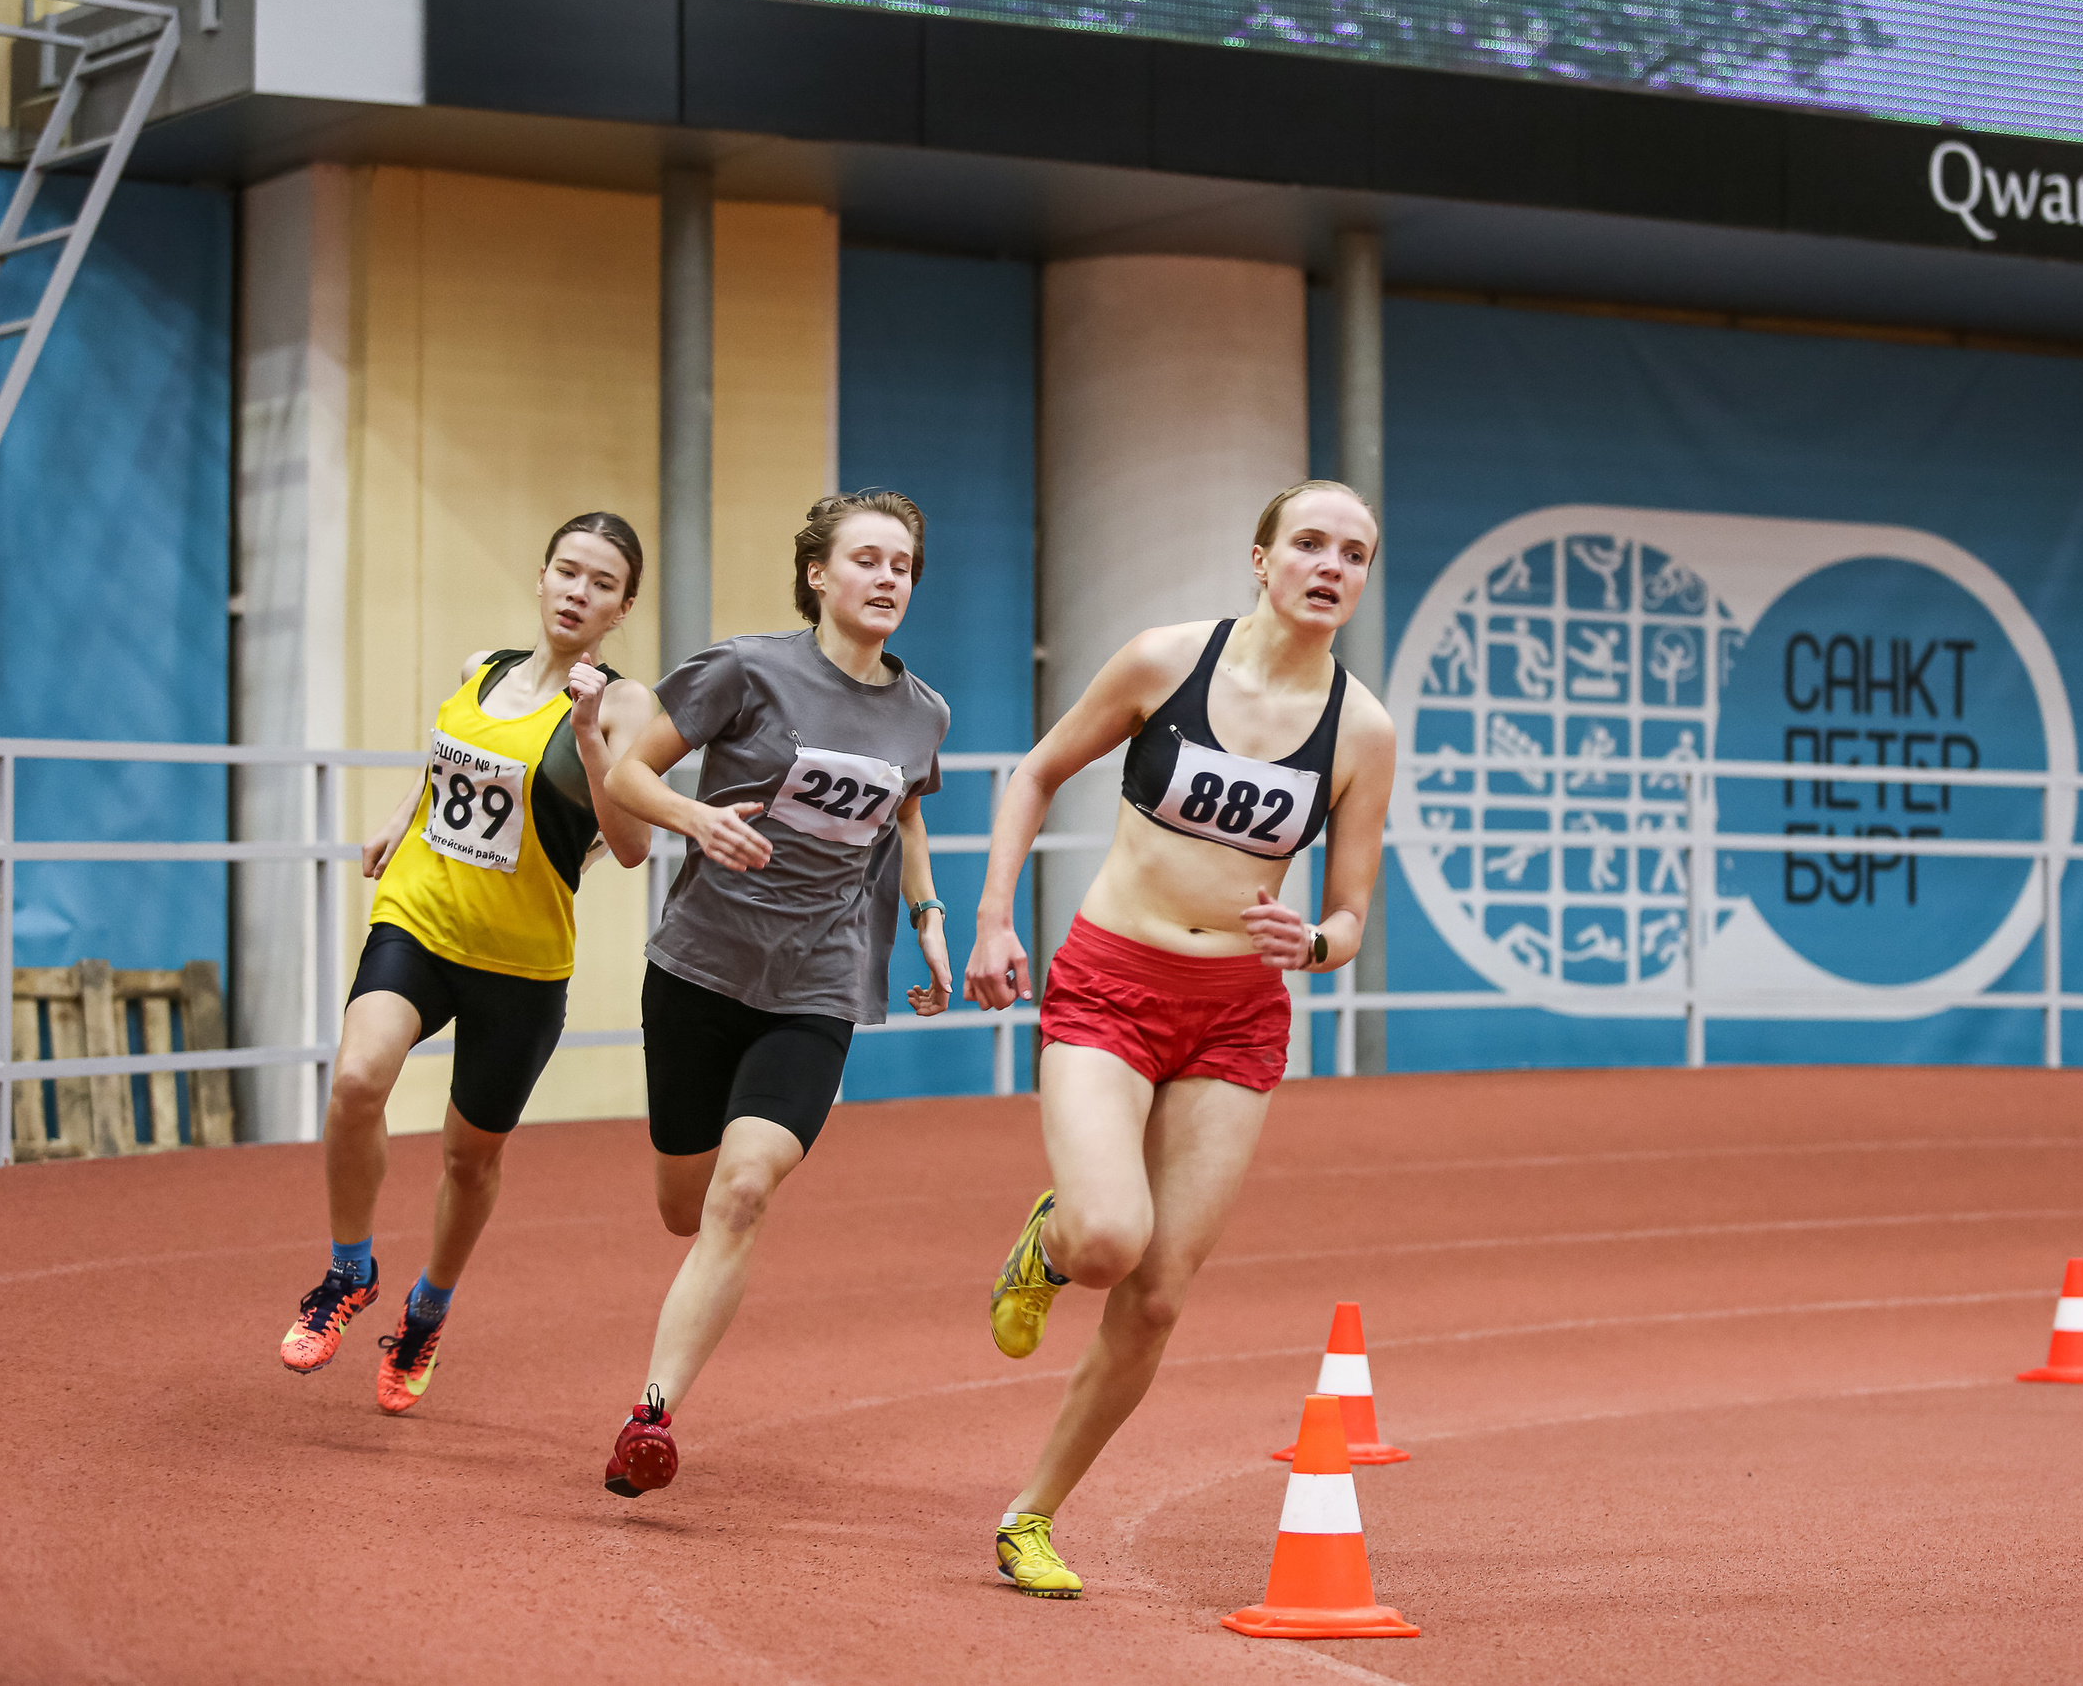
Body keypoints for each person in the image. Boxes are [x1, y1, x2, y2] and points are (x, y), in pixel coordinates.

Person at [963, 479, 1395, 1598]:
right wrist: (995, 916)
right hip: (1111, 981)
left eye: (1352, 553)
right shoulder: (1164, 662)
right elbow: (1037, 772)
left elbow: (1349, 915)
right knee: (1108, 1241)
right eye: (1308, 542)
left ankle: (1030, 1516)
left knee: (1155, 1296)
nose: (1329, 565)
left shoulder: (1361, 728)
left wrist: (1314, 942)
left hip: (1237, 1013)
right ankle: (1048, 1245)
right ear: (1261, 559)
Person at [596, 491, 952, 1498]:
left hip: (816, 979)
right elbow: (628, 776)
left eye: (904, 567)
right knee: (684, 1205)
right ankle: (688, 1226)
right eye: (869, 561)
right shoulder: (745, 670)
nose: (888, 580)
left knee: (743, 1191)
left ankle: (650, 1416)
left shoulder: (922, 711)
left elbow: (907, 817)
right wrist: (697, 822)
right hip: (699, 968)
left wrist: (928, 926)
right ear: (817, 575)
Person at [279, 513, 656, 1414]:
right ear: (540, 577)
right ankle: (347, 1271)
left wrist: (595, 735)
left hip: (520, 961)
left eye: (601, 583)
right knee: (358, 1079)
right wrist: (400, 818)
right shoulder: (479, 671)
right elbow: (449, 768)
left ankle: (426, 1314)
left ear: (622, 607)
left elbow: (632, 844)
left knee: (468, 1156)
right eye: (567, 571)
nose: (578, 591)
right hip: (420, 916)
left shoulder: (626, 704)